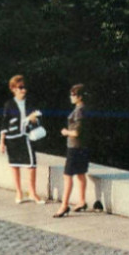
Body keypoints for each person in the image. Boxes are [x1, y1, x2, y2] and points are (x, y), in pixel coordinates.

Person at [0, 74, 45, 204]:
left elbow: (39, 115)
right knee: (15, 165)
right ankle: (18, 192)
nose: (24, 90)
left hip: (26, 137)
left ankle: (32, 193)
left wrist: (34, 118)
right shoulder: (9, 104)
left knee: (31, 165)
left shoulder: (30, 102)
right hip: (12, 138)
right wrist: (2, 142)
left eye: (25, 87)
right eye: (20, 87)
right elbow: (4, 123)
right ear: (13, 88)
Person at [53, 83, 90, 218]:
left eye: (73, 94)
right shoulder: (83, 109)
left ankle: (64, 205)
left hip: (75, 147)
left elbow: (76, 132)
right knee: (80, 174)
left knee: (67, 175)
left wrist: (65, 132)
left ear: (80, 97)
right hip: (82, 147)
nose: (71, 97)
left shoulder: (79, 111)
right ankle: (81, 201)